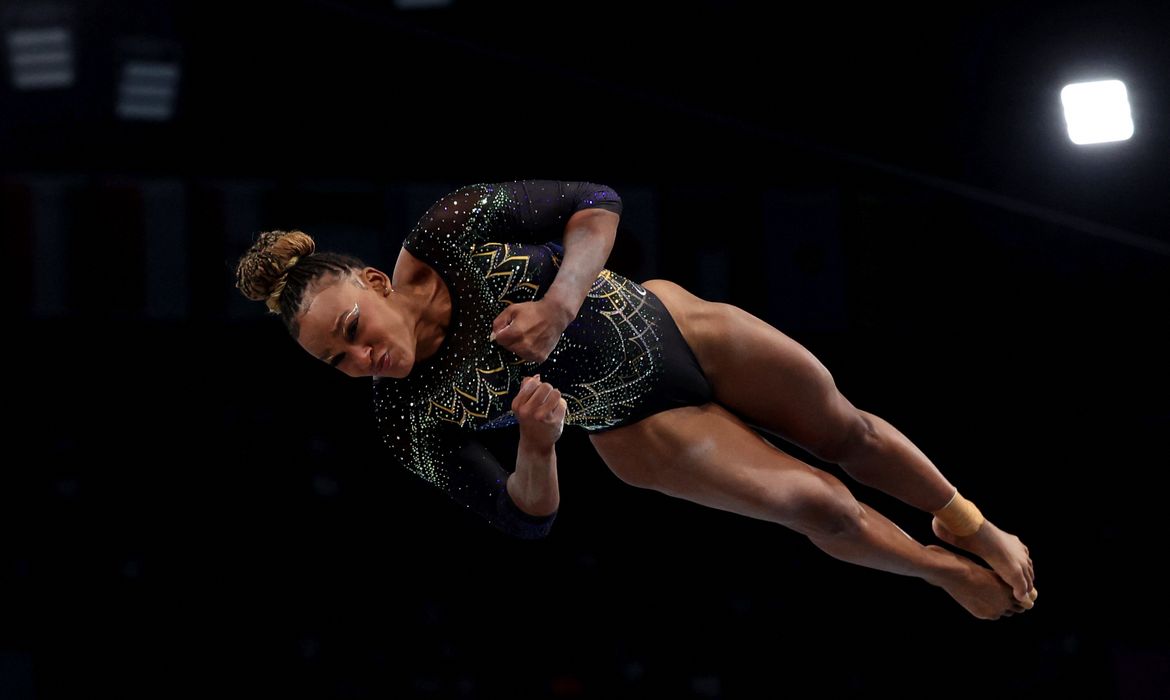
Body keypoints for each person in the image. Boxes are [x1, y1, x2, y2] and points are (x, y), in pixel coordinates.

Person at [234, 179, 1037, 620]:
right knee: (815, 505)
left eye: (351, 328)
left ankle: (970, 522)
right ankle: (940, 572)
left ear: (374, 283)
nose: (361, 358)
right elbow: (524, 516)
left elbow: (597, 203)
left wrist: (558, 305)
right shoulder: (406, 417)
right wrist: (539, 445)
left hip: (673, 321)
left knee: (847, 432)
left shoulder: (446, 228)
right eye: (336, 361)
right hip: (634, 424)